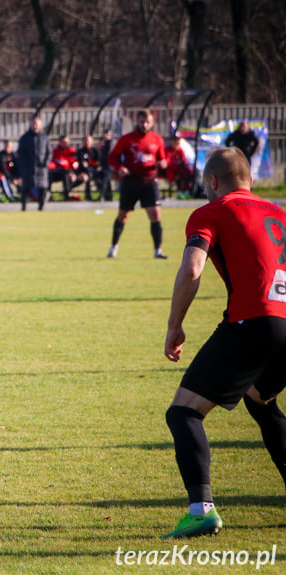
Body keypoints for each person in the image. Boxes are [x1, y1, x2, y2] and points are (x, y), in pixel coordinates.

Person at [162, 147, 286, 538]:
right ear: (250, 180)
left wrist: (174, 325)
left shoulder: (210, 212)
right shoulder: (280, 213)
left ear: (212, 182)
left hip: (253, 322)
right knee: (261, 400)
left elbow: (193, 266)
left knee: (183, 412)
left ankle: (201, 510)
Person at [106, 108, 168, 259]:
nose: (144, 125)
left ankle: (157, 250)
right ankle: (114, 246)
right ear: (137, 122)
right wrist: (120, 168)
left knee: (155, 214)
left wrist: (163, 164)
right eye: (142, 122)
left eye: (147, 122)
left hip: (149, 182)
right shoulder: (127, 139)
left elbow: (163, 159)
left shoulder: (157, 140)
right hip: (130, 183)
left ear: (152, 123)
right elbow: (112, 157)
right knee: (123, 216)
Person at [16, 116, 50, 211]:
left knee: (42, 188)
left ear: (40, 125)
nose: (35, 126)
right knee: (26, 188)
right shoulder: (25, 137)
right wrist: (23, 164)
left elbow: (49, 152)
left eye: (37, 123)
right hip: (28, 167)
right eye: (33, 123)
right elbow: (20, 152)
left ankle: (41, 207)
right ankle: (24, 207)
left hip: (41, 167)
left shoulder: (45, 138)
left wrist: (45, 163)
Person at [48, 135, 80, 201]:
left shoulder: (71, 151)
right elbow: (52, 163)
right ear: (59, 142)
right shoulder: (55, 151)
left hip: (68, 172)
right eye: (63, 142)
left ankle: (66, 196)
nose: (65, 143)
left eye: (66, 142)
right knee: (49, 175)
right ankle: (49, 196)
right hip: (57, 172)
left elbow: (75, 163)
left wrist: (73, 172)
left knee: (66, 176)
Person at [75, 134, 98, 201]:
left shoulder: (95, 151)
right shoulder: (80, 151)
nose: (87, 142)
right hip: (83, 171)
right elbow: (81, 163)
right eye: (85, 141)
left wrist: (90, 164)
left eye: (89, 141)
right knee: (87, 175)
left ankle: (105, 195)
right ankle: (88, 196)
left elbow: (97, 162)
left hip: (94, 170)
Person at [96, 129, 114, 201]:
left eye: (107, 135)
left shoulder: (111, 144)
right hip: (104, 166)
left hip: (109, 166)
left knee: (105, 180)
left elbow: (109, 155)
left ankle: (102, 195)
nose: (105, 136)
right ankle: (109, 196)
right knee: (106, 181)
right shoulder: (104, 144)